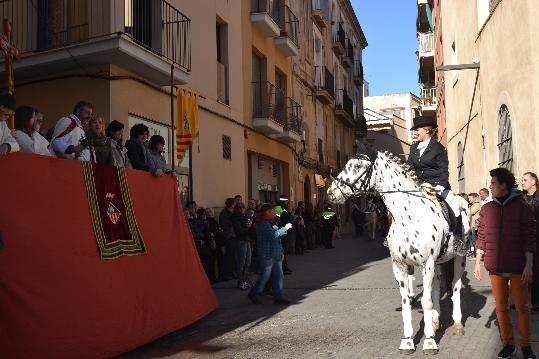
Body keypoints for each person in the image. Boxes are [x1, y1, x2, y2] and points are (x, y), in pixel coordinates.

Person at [474, 168, 536, 359]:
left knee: (522, 308)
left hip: (518, 267)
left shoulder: (522, 207)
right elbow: (482, 235)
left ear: (504, 186)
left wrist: (528, 265)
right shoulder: (487, 208)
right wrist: (477, 262)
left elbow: (529, 238)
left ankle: (526, 346)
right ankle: (508, 344)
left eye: (493, 183)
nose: (490, 186)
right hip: (496, 267)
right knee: (501, 307)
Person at [406, 115, 468, 234]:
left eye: (417, 130)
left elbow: (444, 169)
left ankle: (458, 240)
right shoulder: (414, 148)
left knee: (455, 208)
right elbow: (409, 167)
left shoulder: (438, 148)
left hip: (437, 186)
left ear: (427, 130)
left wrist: (440, 185)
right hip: (420, 186)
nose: (415, 133)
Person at [248, 203, 293, 305]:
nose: (275, 212)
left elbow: (278, 238)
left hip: (275, 253)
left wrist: (281, 251)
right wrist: (285, 228)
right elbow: (273, 236)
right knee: (265, 276)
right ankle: (253, 293)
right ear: (268, 212)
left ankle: (278, 297)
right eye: (273, 210)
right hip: (267, 254)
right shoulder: (263, 223)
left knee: (279, 276)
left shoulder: (271, 222)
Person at [522, 172, 539, 312]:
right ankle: (521, 300)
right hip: (522, 238)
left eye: (525, 180)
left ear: (533, 182)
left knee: (536, 269)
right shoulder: (521, 198)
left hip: (536, 237)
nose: (522, 182)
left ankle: (536, 302)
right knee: (522, 269)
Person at [232, 202, 253, 290]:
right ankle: (240, 282)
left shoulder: (245, 217)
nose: (242, 209)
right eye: (240, 208)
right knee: (241, 263)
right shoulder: (235, 218)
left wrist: (249, 225)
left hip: (247, 241)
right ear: (236, 208)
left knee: (248, 262)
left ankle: (244, 281)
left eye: (243, 207)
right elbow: (239, 230)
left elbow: (248, 226)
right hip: (240, 241)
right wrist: (249, 227)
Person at [219, 198, 236, 281]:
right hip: (228, 237)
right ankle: (226, 274)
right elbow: (225, 226)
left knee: (232, 256)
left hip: (232, 236)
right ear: (232, 204)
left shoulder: (230, 212)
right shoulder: (224, 213)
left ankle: (230, 272)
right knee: (228, 256)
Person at [467, 193, 481, 258]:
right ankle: (472, 253)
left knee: (475, 241)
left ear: (474, 198)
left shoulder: (477, 204)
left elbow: (471, 212)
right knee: (472, 241)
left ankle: (475, 255)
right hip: (471, 225)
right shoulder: (472, 205)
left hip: (475, 226)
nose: (468, 199)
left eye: (470, 198)